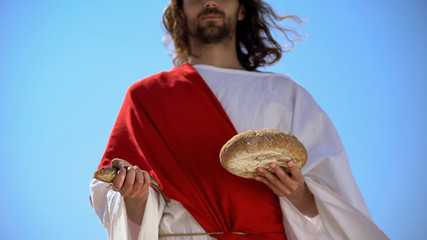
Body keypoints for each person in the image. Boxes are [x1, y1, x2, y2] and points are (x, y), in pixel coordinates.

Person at [90, 0, 388, 239]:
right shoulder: (147, 96)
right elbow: (110, 191)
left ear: (242, 8)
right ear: (180, 11)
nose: (209, 1)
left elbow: (337, 200)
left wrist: (300, 194)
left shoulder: (287, 94)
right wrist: (135, 196)